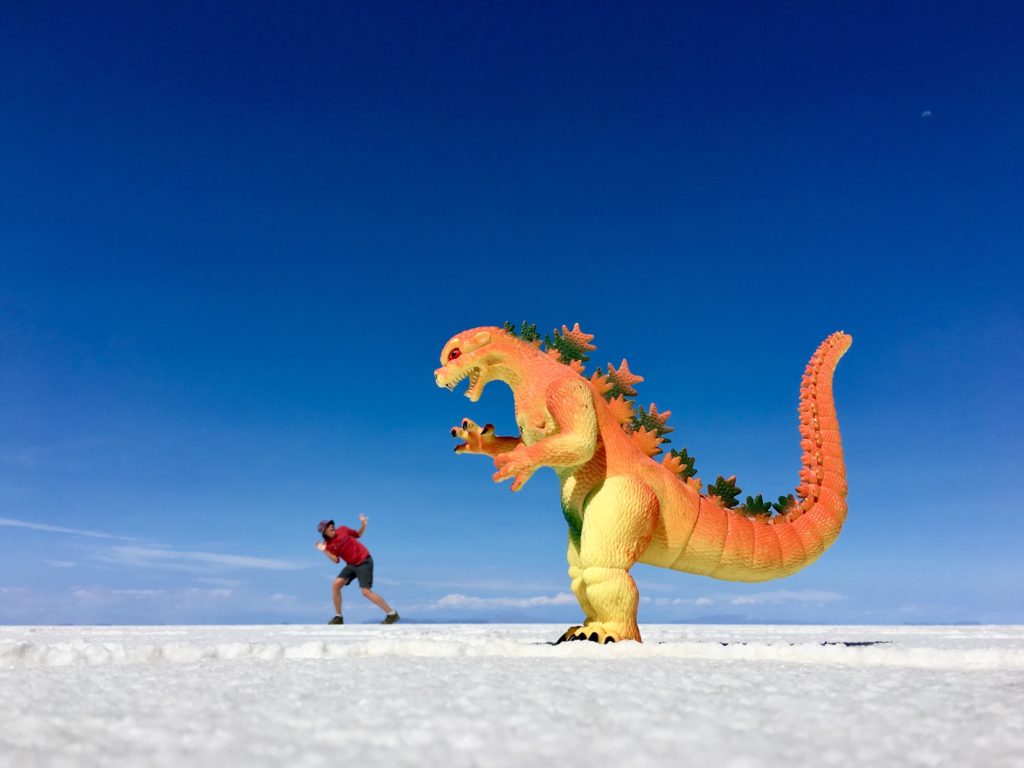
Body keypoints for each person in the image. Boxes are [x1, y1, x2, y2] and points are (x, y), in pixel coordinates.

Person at [316, 513, 399, 625]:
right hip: (351, 565)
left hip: (364, 560)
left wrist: (363, 524)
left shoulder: (343, 529)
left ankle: (392, 614)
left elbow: (358, 534)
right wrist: (325, 550)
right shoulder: (328, 544)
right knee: (336, 585)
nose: (331, 526)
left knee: (366, 592)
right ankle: (338, 617)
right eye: (328, 526)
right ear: (324, 532)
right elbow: (336, 560)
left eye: (331, 524)